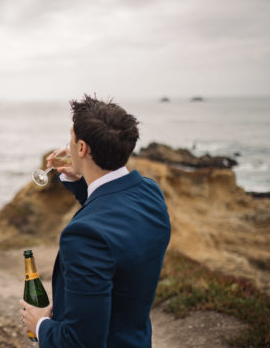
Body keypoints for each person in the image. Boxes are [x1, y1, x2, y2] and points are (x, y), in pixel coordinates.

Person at [20, 95, 171, 347]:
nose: (67, 145)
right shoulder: (149, 192)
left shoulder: (84, 235)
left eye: (71, 138)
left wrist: (40, 324)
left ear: (81, 148)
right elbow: (115, 216)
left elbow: (81, 342)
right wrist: (77, 179)